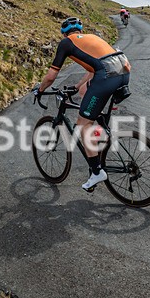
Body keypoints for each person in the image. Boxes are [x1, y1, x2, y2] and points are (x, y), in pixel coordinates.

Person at [34, 16, 131, 190]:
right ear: (80, 30)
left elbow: (51, 76)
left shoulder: (66, 43)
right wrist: (77, 86)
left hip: (107, 75)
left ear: (65, 34)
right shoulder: (92, 38)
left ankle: (96, 172)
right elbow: (94, 68)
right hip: (123, 69)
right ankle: (99, 139)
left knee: (82, 124)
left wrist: (40, 90)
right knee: (83, 92)